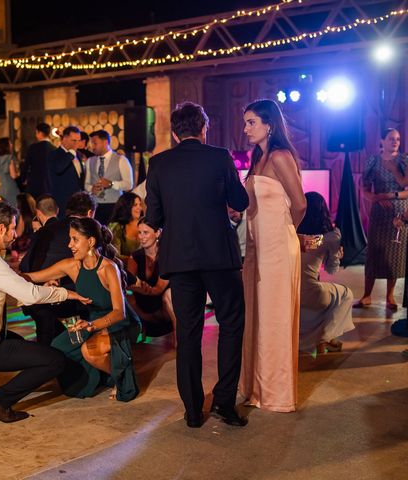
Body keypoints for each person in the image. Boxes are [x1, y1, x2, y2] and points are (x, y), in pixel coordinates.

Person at [145, 101, 249, 428]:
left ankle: (192, 409)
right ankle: (224, 402)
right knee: (231, 325)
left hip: (180, 258)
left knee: (188, 332)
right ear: (205, 128)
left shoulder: (158, 163)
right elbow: (240, 201)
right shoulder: (219, 156)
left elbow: (154, 217)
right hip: (219, 255)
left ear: (175, 133)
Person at [0, 201, 90, 423]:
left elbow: (12, 283)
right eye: (13, 228)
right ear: (1, 229)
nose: (15, 234)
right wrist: (67, 293)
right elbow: (30, 296)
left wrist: (43, 283)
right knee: (53, 361)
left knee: (13, 340)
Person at [24, 217, 141, 401]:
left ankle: (119, 377)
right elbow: (32, 277)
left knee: (89, 350)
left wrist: (92, 326)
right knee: (58, 347)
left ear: (91, 241)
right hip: (91, 322)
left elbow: (120, 312)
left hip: (120, 323)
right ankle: (99, 376)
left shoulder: (108, 269)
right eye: (70, 239)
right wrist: (3, 274)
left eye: (75, 239)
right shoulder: (71, 265)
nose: (70, 244)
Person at [240, 98, 307, 413]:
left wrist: (285, 232)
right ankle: (257, 386)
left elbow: (300, 203)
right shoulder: (257, 158)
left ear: (270, 124)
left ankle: (276, 393)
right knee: (258, 315)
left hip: (278, 247)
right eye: (246, 122)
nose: (246, 128)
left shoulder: (280, 156)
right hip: (256, 247)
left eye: (251, 122)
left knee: (275, 318)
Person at [20, 192, 97, 345]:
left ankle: (47, 356)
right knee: (75, 341)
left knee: (50, 341)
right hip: (75, 301)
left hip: (44, 299)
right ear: (90, 213)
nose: (70, 245)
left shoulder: (46, 231)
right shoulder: (90, 232)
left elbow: (25, 266)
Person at [355, 128, 408, 310]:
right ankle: (366, 295)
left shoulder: (404, 160)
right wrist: (374, 197)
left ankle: (390, 297)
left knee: (394, 254)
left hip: (399, 212)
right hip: (379, 211)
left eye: (398, 139)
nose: (395, 142)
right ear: (382, 141)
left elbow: (406, 189)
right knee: (374, 252)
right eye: (391, 139)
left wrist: (388, 195)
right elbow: (365, 188)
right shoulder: (373, 160)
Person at [297, 192, 355, 353]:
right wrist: (337, 254)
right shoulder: (329, 237)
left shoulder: (292, 233)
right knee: (346, 294)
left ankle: (321, 340)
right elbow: (332, 269)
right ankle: (326, 337)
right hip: (310, 292)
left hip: (289, 292)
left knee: (323, 293)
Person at [127, 218, 177, 340]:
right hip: (143, 305)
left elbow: (158, 289)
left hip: (163, 307)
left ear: (157, 233)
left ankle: (178, 335)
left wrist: (141, 286)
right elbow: (129, 283)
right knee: (125, 296)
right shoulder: (135, 256)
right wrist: (138, 287)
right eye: (139, 232)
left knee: (169, 294)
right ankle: (132, 339)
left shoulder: (168, 255)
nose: (141, 237)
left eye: (146, 232)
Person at [85, 130, 133, 225]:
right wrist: (91, 189)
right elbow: (86, 184)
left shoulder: (121, 160)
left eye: (95, 143)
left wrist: (112, 184)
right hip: (95, 206)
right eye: (91, 143)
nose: (92, 146)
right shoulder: (90, 161)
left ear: (105, 142)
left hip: (115, 206)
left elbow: (129, 184)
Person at [47, 126, 85, 216]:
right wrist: (71, 153)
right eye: (74, 140)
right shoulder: (54, 154)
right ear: (64, 138)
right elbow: (58, 169)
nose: (77, 144)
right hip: (62, 202)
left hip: (78, 202)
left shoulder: (78, 154)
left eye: (78, 140)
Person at [20, 123, 56, 199]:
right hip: (49, 186)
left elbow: (26, 166)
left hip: (34, 185)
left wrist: (23, 179)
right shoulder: (54, 149)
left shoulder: (33, 148)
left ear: (39, 133)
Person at [108, 192, 143, 262]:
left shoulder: (145, 224)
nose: (139, 208)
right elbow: (114, 254)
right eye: (135, 205)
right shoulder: (117, 227)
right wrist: (131, 261)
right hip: (123, 268)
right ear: (127, 207)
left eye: (140, 204)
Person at [0, 137, 20, 207]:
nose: (11, 144)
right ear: (6, 145)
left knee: (5, 209)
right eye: (10, 143)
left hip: (1, 189)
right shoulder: (9, 157)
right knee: (14, 208)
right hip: (11, 187)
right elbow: (13, 175)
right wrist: (18, 173)